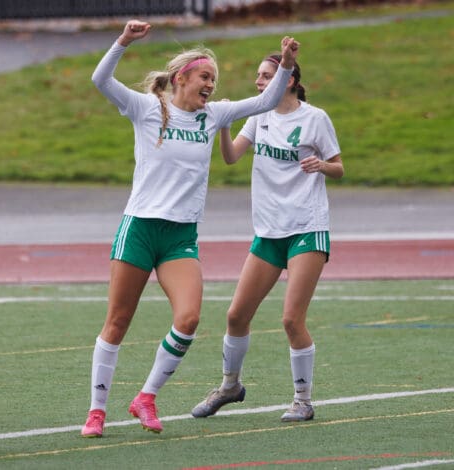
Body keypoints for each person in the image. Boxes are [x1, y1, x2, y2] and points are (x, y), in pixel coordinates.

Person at [81, 19, 300, 437]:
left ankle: (146, 397)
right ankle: (96, 411)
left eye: (214, 80)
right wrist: (123, 41)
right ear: (182, 77)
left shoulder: (214, 116)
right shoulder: (146, 108)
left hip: (180, 237)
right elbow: (101, 79)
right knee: (118, 320)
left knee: (189, 317)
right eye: (205, 77)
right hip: (141, 229)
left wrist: (287, 65)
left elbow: (268, 100)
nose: (211, 86)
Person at [190, 53, 343, 422]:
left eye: (266, 76)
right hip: (268, 230)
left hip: (307, 228)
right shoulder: (259, 117)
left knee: (292, 319)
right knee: (236, 315)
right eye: (257, 76)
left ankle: (303, 401)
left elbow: (339, 167)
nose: (258, 82)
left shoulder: (315, 118)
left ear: (287, 80)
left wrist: (322, 165)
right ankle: (230, 386)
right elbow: (230, 158)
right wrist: (225, 123)